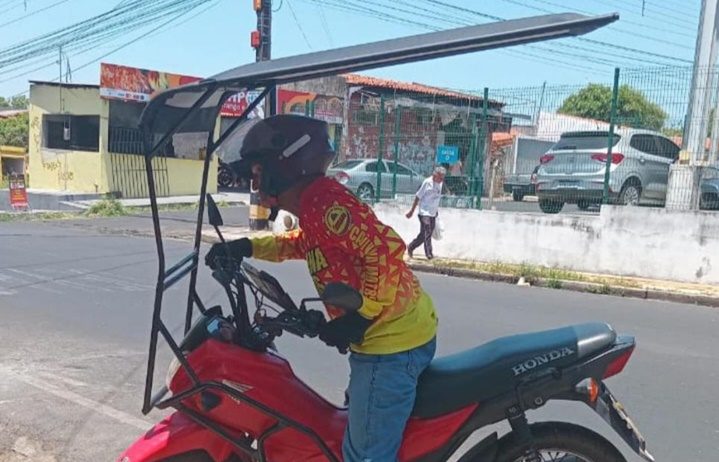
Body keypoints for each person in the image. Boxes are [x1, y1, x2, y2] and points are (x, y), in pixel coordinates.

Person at [205, 115, 438, 461]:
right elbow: (305, 243)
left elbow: (386, 250)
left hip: (389, 346)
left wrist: (362, 316)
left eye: (257, 171)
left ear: (284, 166)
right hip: (389, 334)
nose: (254, 182)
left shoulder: (324, 204)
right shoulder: (314, 204)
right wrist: (247, 247)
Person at [406, 166, 446, 260]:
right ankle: (429, 254)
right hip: (424, 212)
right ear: (434, 175)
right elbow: (417, 197)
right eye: (440, 177)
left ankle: (411, 247)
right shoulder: (427, 183)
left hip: (433, 213)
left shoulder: (440, 184)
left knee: (423, 235)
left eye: (442, 178)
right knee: (427, 230)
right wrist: (411, 211)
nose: (441, 180)